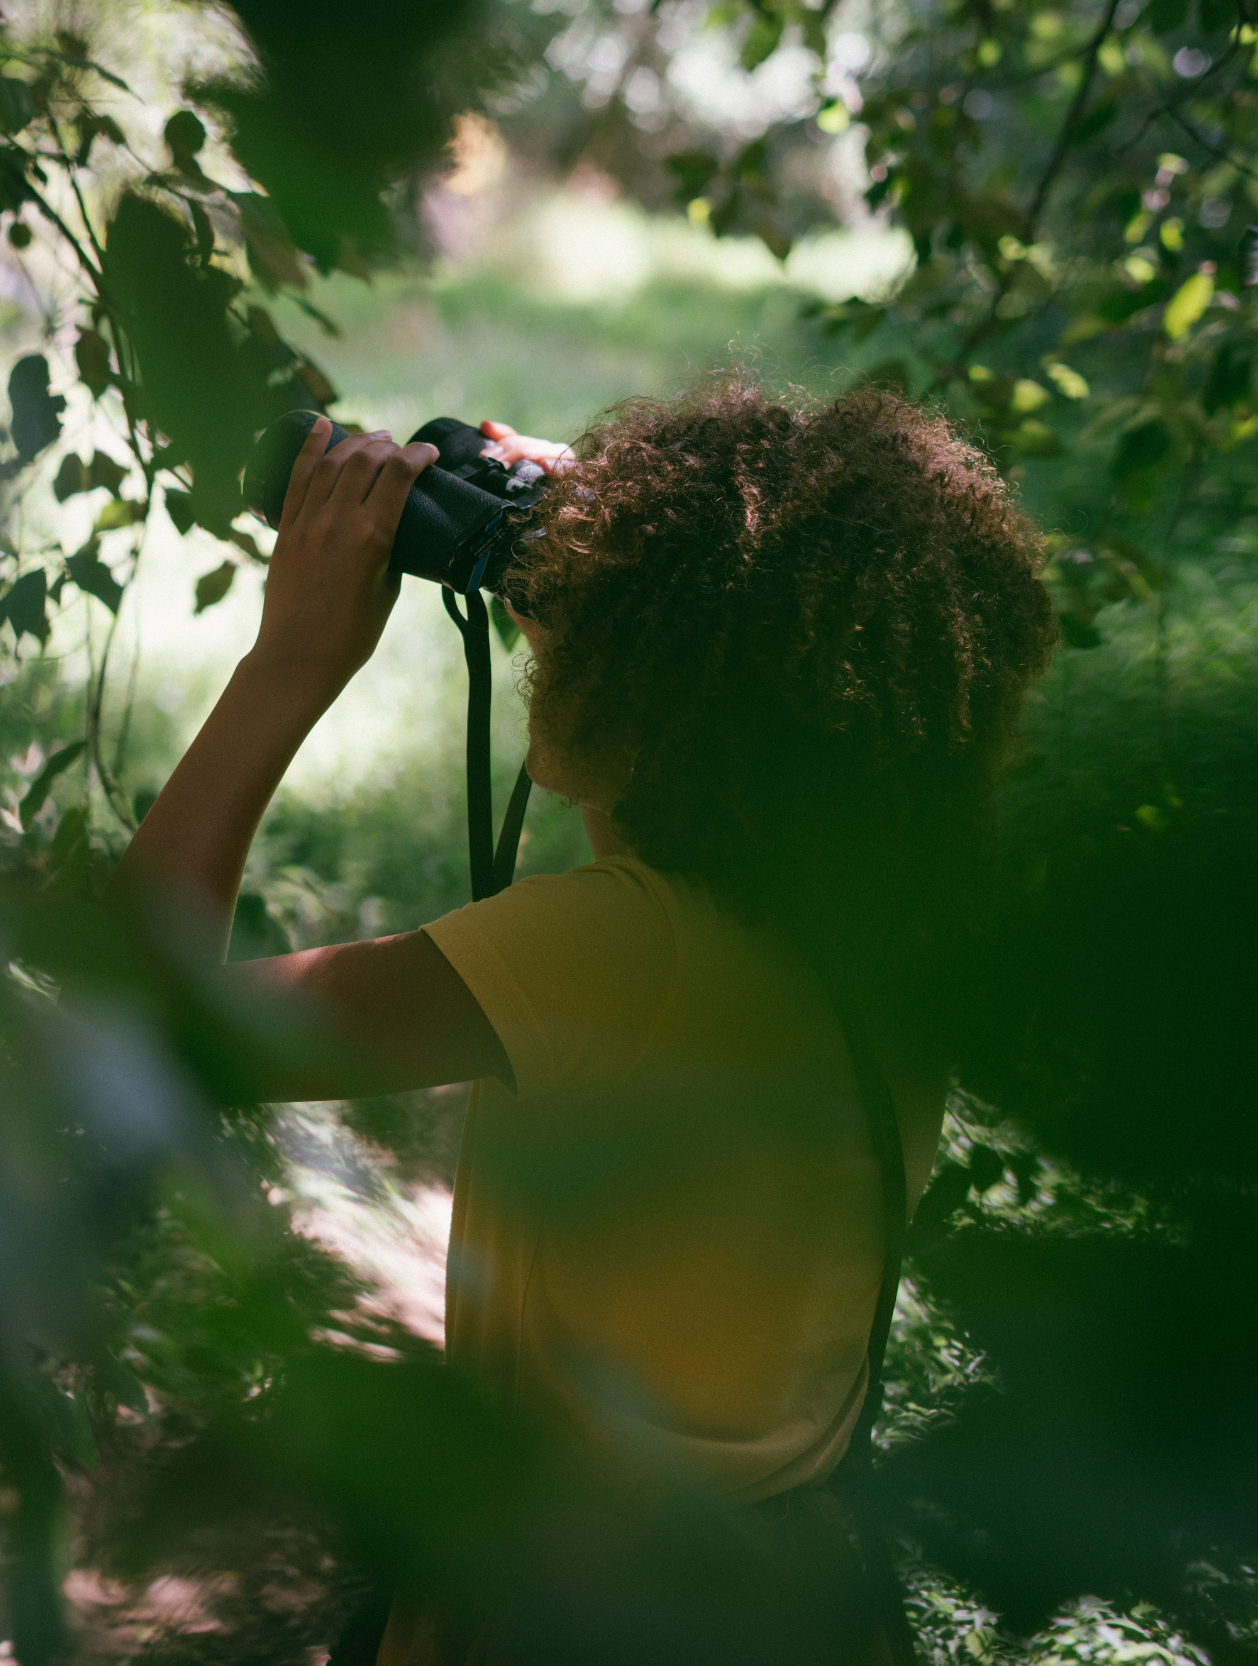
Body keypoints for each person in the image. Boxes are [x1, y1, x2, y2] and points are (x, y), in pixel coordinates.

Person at [107, 379, 1059, 1664]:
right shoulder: (890, 935)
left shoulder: (616, 951)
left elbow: (146, 1015)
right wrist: (625, 542)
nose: (551, 644)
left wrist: (291, 660)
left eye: (585, 642)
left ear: (660, 699)